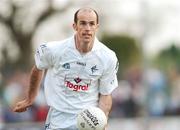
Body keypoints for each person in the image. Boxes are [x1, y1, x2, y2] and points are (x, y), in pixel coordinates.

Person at [13, 7, 119, 130]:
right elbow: (38, 67)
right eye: (83, 23)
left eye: (91, 24)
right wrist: (30, 98)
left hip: (88, 122)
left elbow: (106, 94)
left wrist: (102, 121)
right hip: (57, 121)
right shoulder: (55, 50)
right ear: (75, 26)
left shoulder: (108, 57)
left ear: (97, 27)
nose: (87, 28)